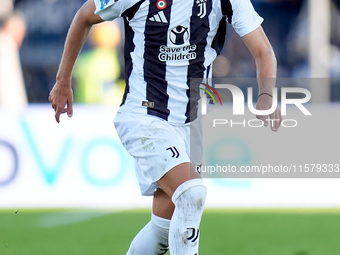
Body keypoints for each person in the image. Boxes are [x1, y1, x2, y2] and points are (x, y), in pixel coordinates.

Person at [49, 0, 282, 254]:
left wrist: (266, 96)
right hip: (143, 115)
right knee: (191, 193)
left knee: (162, 230)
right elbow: (84, 17)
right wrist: (63, 81)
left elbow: (263, 51)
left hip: (191, 124)